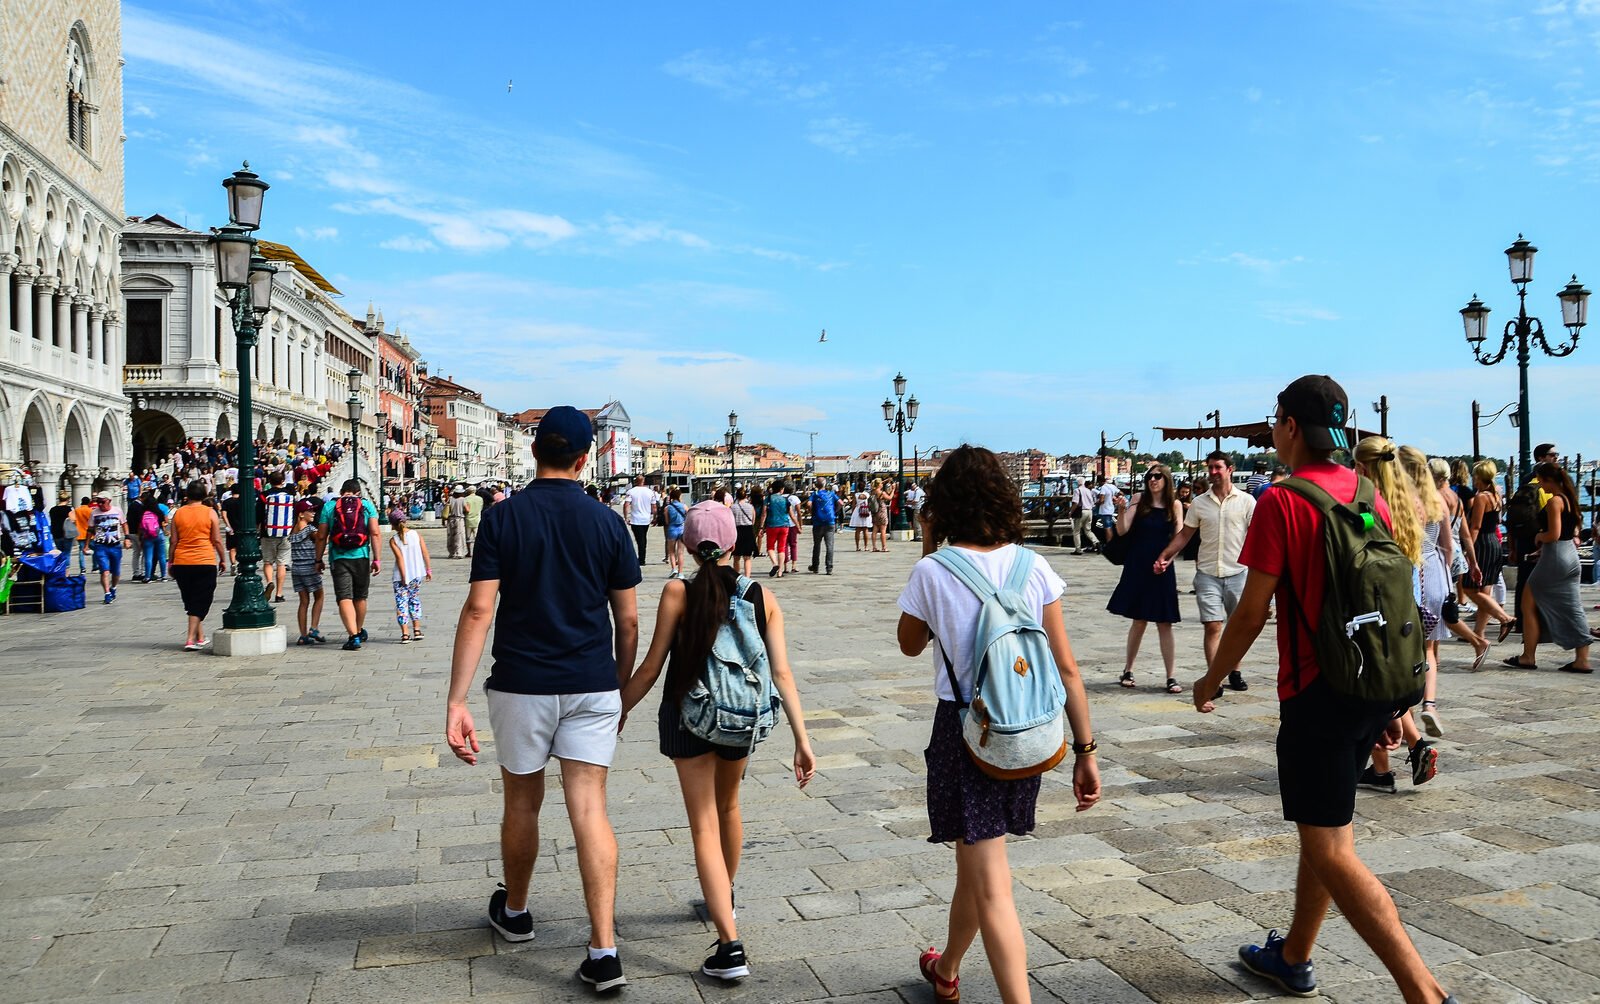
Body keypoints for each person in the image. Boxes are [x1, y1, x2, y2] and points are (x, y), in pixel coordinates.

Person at [1191, 375, 1458, 1004]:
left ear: (1288, 426)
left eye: (1275, 419)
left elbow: (1252, 611)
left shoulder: (1284, 501)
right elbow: (1388, 595)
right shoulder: (1370, 492)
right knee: (1325, 826)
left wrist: (1210, 678)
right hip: (1372, 683)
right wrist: (1392, 702)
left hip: (1317, 693)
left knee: (1333, 849)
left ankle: (1422, 991)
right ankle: (1293, 956)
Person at [445, 406, 641, 994]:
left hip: (522, 684)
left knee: (522, 802)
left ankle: (518, 911)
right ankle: (603, 950)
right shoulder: (610, 524)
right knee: (590, 809)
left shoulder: (503, 518)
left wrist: (457, 698)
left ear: (534, 452)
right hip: (591, 682)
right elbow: (627, 622)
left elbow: (480, 608)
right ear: (585, 458)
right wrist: (621, 692)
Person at [896, 445, 1099, 1004]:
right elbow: (1067, 667)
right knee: (978, 859)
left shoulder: (932, 570)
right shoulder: (1034, 567)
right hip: (1026, 732)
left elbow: (909, 644)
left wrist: (930, 546)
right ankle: (947, 968)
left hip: (966, 733)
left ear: (942, 503)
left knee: (993, 883)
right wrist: (1085, 750)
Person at [619, 501, 816, 981]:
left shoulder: (676, 591)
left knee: (703, 825)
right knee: (728, 809)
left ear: (688, 545)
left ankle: (730, 946)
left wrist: (617, 709)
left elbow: (651, 666)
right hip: (741, 720)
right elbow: (783, 674)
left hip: (688, 719)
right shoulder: (760, 596)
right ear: (734, 542)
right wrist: (802, 740)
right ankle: (722, 895)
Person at [1351, 439, 1439, 792]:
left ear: (1363, 468)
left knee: (1374, 682)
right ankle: (1414, 746)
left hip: (1381, 599)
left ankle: (1382, 771)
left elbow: (1360, 539)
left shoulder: (1372, 506)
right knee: (1393, 682)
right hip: (1409, 598)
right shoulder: (1410, 502)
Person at [1153, 451, 1255, 696]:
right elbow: (1185, 535)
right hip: (1207, 572)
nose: (1212, 472)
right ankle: (1215, 678)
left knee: (1236, 628)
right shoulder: (1199, 503)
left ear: (1229, 469)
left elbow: (1255, 536)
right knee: (1213, 626)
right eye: (1209, 467)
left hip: (1238, 571)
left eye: (1217, 467)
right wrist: (1165, 555)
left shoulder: (1247, 501)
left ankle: (1235, 671)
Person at [1509, 462, 1592, 672]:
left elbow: (1553, 534)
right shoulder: (1570, 500)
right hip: (1570, 557)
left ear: (1548, 480)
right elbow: (1568, 533)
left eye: (1540, 480)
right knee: (1572, 606)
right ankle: (1581, 658)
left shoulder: (1555, 501)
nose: (1539, 485)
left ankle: (1528, 656)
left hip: (1555, 557)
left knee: (1527, 604)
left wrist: (1538, 536)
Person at [1108, 465, 1184, 693]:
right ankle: (1128, 669)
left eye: (1157, 476)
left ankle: (1171, 676)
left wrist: (1168, 560)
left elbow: (1179, 536)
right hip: (1139, 565)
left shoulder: (1175, 505)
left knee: (1165, 622)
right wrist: (1121, 510)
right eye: (1149, 476)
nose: (1153, 480)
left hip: (1162, 565)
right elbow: (1122, 530)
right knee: (1139, 620)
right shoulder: (1140, 499)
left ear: (1166, 480)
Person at [315, 479, 381, 651]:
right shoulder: (366, 505)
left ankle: (353, 636)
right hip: (362, 556)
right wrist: (377, 559)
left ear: (342, 491)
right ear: (358, 492)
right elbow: (374, 533)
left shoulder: (330, 506)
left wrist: (318, 559)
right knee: (360, 596)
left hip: (339, 557)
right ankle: (358, 631)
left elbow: (321, 536)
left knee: (344, 597)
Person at [169, 481, 226, 651]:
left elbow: (173, 541)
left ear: (187, 495)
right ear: (204, 495)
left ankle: (200, 637)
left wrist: (170, 561)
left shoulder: (178, 513)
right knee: (201, 601)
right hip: (204, 560)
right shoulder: (210, 513)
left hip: (182, 562)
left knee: (192, 601)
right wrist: (223, 559)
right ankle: (189, 639)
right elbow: (216, 539)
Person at [1462, 460, 1513, 643]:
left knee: (1469, 587)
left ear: (1478, 477)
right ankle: (1479, 633)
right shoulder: (1496, 494)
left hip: (1482, 542)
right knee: (1486, 589)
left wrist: (1469, 551)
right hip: (1494, 541)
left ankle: (1503, 618)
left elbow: (1475, 527)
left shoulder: (1482, 497)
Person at [289, 501, 328, 646]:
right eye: (309, 511)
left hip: (297, 569)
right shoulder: (310, 530)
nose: (313, 513)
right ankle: (314, 628)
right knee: (319, 596)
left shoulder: (293, 531)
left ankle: (303, 635)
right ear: (300, 514)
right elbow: (321, 538)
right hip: (309, 568)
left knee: (303, 601)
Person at [260, 471, 297, 603]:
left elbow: (259, 515)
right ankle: (279, 594)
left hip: (267, 533)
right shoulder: (290, 496)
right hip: (286, 532)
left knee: (268, 561)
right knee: (282, 563)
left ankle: (270, 582)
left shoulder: (264, 496)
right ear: (283, 481)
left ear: (269, 482)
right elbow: (295, 514)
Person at [87, 492, 129, 604]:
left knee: (116, 571)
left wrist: (127, 538)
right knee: (104, 571)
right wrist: (86, 545)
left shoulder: (117, 511)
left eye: (102, 502)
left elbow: (124, 524)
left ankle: (113, 588)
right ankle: (106, 593)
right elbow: (90, 529)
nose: (100, 504)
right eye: (98, 502)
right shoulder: (94, 513)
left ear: (109, 501)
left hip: (115, 545)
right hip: (100, 546)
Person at [137, 490, 170, 584]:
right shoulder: (158, 511)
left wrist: (140, 536)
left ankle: (148, 576)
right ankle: (164, 576)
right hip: (159, 534)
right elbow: (164, 522)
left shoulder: (143, 512)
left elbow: (140, 526)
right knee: (162, 556)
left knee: (148, 557)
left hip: (147, 536)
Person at [808, 476, 840, 574]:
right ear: (825, 484)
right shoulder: (831, 494)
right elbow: (841, 503)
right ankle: (829, 567)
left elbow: (809, 504)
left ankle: (815, 566)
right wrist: (835, 512)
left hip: (818, 521)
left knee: (817, 545)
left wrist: (812, 513)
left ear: (816, 485)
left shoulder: (815, 494)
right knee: (829, 546)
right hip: (830, 521)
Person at [622, 475, 657, 567]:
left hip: (635, 519)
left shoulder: (631, 491)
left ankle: (641, 559)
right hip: (646, 519)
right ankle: (642, 558)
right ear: (643, 481)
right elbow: (654, 506)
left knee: (639, 539)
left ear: (635, 481)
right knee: (643, 538)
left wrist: (626, 517)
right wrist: (654, 517)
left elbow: (626, 505)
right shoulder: (650, 492)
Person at [762, 478, 792, 578]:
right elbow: (789, 512)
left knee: (770, 547)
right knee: (781, 548)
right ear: (781, 489)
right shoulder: (785, 499)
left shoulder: (768, 499)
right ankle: (780, 571)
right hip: (784, 525)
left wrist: (761, 527)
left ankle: (775, 564)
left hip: (772, 525)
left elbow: (764, 514)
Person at [730, 486, 758, 577]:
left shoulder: (733, 507)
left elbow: (730, 521)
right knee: (747, 557)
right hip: (748, 531)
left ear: (736, 496)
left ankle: (736, 576)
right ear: (746, 496)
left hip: (737, 531)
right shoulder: (750, 507)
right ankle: (747, 577)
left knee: (736, 557)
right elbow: (753, 521)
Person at [662, 487, 687, 577]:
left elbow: (667, 521)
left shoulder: (667, 508)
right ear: (679, 496)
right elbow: (688, 517)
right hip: (681, 529)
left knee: (671, 552)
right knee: (680, 552)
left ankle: (673, 569)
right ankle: (681, 573)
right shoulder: (684, 506)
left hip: (672, 529)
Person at [446, 485, 470, 559]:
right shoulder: (463, 499)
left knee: (451, 537)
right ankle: (459, 552)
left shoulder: (450, 498)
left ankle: (452, 552)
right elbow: (467, 510)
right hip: (459, 519)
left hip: (451, 519)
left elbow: (447, 509)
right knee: (459, 536)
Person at [72, 496, 93, 573]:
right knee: (95, 549)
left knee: (81, 551)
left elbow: (73, 520)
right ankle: (95, 567)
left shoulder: (76, 510)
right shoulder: (90, 510)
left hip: (80, 533)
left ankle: (82, 569)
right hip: (89, 534)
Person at [869, 477, 890, 552]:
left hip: (875, 512)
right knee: (883, 530)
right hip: (881, 511)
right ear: (879, 485)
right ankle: (884, 547)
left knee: (875, 529)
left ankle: (874, 547)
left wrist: (885, 480)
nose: (882, 484)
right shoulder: (882, 493)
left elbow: (876, 483)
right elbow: (889, 498)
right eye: (881, 483)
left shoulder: (872, 491)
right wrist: (893, 489)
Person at [465, 485, 485, 558]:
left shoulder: (466, 499)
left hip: (468, 519)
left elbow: (465, 509)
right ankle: (478, 552)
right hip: (477, 519)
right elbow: (481, 508)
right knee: (477, 537)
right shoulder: (480, 499)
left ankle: (469, 552)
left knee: (468, 537)